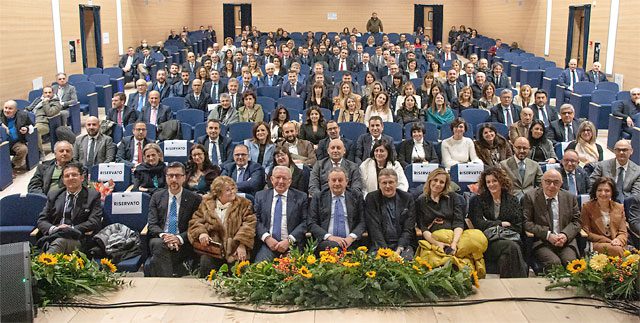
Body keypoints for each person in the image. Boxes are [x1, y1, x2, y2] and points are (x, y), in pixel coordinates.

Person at [414, 168, 487, 274]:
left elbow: (458, 222)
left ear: (445, 185)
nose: (438, 184)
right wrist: (437, 243)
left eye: (442, 182)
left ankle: (457, 261)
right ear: (429, 180)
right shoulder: (421, 201)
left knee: (478, 237)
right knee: (431, 258)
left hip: (455, 236)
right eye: (435, 180)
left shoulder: (453, 197)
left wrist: (454, 243)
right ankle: (452, 263)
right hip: (435, 238)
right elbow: (423, 228)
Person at [188, 176, 256, 277]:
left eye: (233, 188)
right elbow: (195, 221)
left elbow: (249, 224)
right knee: (205, 262)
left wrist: (242, 244)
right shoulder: (206, 204)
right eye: (228, 190)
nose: (232, 192)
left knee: (238, 269)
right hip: (212, 250)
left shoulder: (244, 204)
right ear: (218, 193)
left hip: (235, 249)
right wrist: (202, 232)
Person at [469, 167, 527, 277]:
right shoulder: (478, 200)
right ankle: (521, 285)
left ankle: (507, 288)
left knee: (506, 257)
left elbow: (517, 226)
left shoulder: (512, 200)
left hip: (509, 238)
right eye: (488, 182)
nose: (491, 184)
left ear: (501, 181)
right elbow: (478, 224)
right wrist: (500, 224)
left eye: (494, 181)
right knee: (512, 247)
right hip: (488, 242)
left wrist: (491, 224)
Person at [147, 162, 203, 277]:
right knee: (159, 245)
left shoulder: (194, 199)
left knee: (155, 261)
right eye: (170, 176)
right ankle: (169, 284)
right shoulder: (156, 197)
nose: (174, 179)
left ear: (184, 178)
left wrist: (178, 238)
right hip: (160, 239)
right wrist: (165, 236)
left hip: (183, 242)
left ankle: (163, 286)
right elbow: (152, 225)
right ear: (166, 177)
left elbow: (196, 226)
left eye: (177, 176)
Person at [36, 163, 102, 254]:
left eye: (74, 175)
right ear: (63, 180)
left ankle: (43, 265)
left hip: (78, 239)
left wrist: (70, 229)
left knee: (59, 242)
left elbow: (94, 221)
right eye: (67, 176)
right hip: (54, 235)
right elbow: (42, 220)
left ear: (82, 178)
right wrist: (55, 229)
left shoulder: (93, 196)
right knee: (56, 242)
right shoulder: (54, 195)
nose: (70, 178)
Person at [523, 169, 582, 268]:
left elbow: (577, 222)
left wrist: (565, 235)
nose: (551, 186)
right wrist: (548, 235)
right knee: (554, 264)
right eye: (548, 182)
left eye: (556, 182)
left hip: (565, 242)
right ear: (542, 182)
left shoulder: (570, 198)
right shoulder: (531, 197)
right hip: (542, 242)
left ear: (561, 184)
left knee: (571, 263)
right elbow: (527, 222)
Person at [254, 166, 309, 262]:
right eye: (278, 177)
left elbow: (305, 222)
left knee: (292, 273)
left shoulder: (301, 197)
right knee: (259, 270)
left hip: (292, 244)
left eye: (284, 178)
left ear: (290, 181)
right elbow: (255, 220)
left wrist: (289, 241)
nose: (281, 181)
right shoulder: (260, 196)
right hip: (268, 244)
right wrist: (267, 238)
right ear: (271, 179)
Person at [309, 167, 366, 253]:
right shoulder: (319, 197)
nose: (337, 183)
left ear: (346, 182)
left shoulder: (356, 196)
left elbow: (363, 222)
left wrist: (351, 237)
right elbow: (311, 223)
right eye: (334, 180)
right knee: (333, 247)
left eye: (340, 180)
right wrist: (330, 237)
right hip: (326, 244)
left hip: (351, 243)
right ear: (328, 182)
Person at [365, 169, 415, 259]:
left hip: (402, 245)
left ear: (396, 183)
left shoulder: (407, 198)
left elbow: (408, 229)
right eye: (384, 183)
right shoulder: (372, 198)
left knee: (406, 262)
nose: (387, 186)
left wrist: (398, 250)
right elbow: (374, 229)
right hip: (379, 244)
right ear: (379, 184)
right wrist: (386, 252)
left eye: (391, 182)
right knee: (376, 265)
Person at [581, 177, 628, 257]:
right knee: (618, 250)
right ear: (595, 192)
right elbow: (587, 232)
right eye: (599, 190)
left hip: (616, 243)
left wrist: (618, 239)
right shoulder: (587, 207)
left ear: (612, 192)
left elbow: (623, 232)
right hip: (597, 243)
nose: (603, 193)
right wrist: (607, 241)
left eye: (607, 191)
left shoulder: (619, 207)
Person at [26, 86, 62, 154]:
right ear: (43, 94)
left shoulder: (56, 103)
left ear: (53, 93)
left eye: (49, 92)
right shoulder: (38, 100)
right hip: (32, 122)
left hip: (44, 124)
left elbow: (50, 113)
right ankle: (28, 153)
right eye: (45, 93)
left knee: (36, 130)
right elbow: (28, 109)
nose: (47, 94)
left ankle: (40, 152)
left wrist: (45, 102)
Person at [1, 100, 32, 173]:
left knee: (23, 149)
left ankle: (11, 166)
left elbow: (31, 126)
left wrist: (26, 129)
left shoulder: (23, 115)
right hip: (2, 142)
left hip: (16, 142)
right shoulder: (0, 115)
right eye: (5, 108)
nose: (7, 110)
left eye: (10, 108)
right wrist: (2, 125)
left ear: (15, 110)